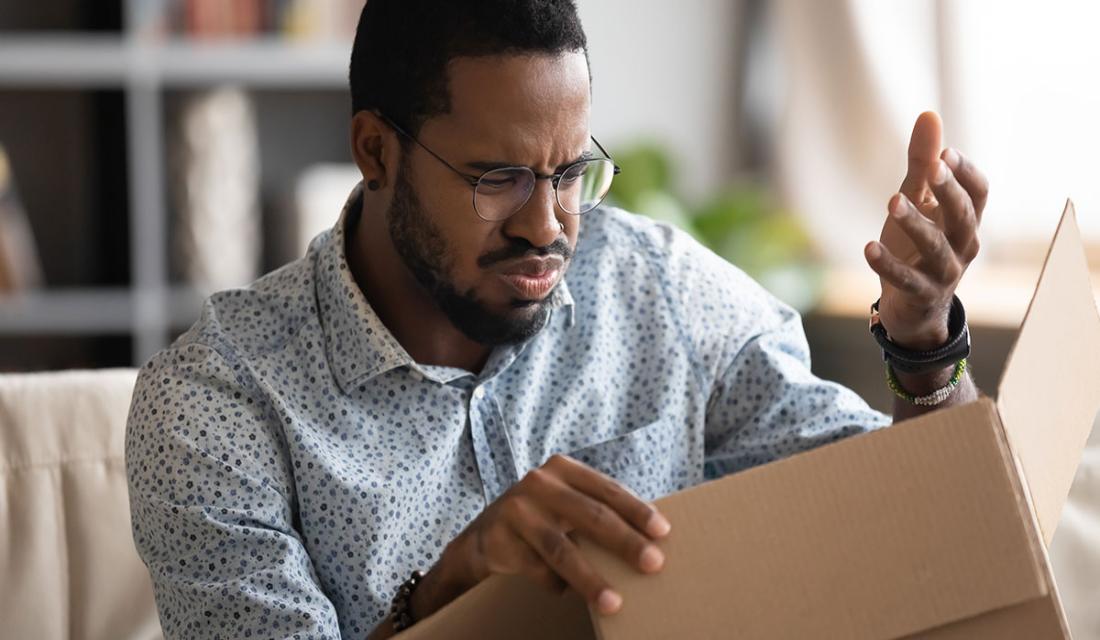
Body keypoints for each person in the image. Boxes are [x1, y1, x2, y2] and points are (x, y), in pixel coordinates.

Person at [124, 1, 988, 638]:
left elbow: (913, 528)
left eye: (570, 173)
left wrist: (922, 343)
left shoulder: (663, 292)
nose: (547, 226)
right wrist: (450, 594)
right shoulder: (215, 406)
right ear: (375, 151)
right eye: (496, 178)